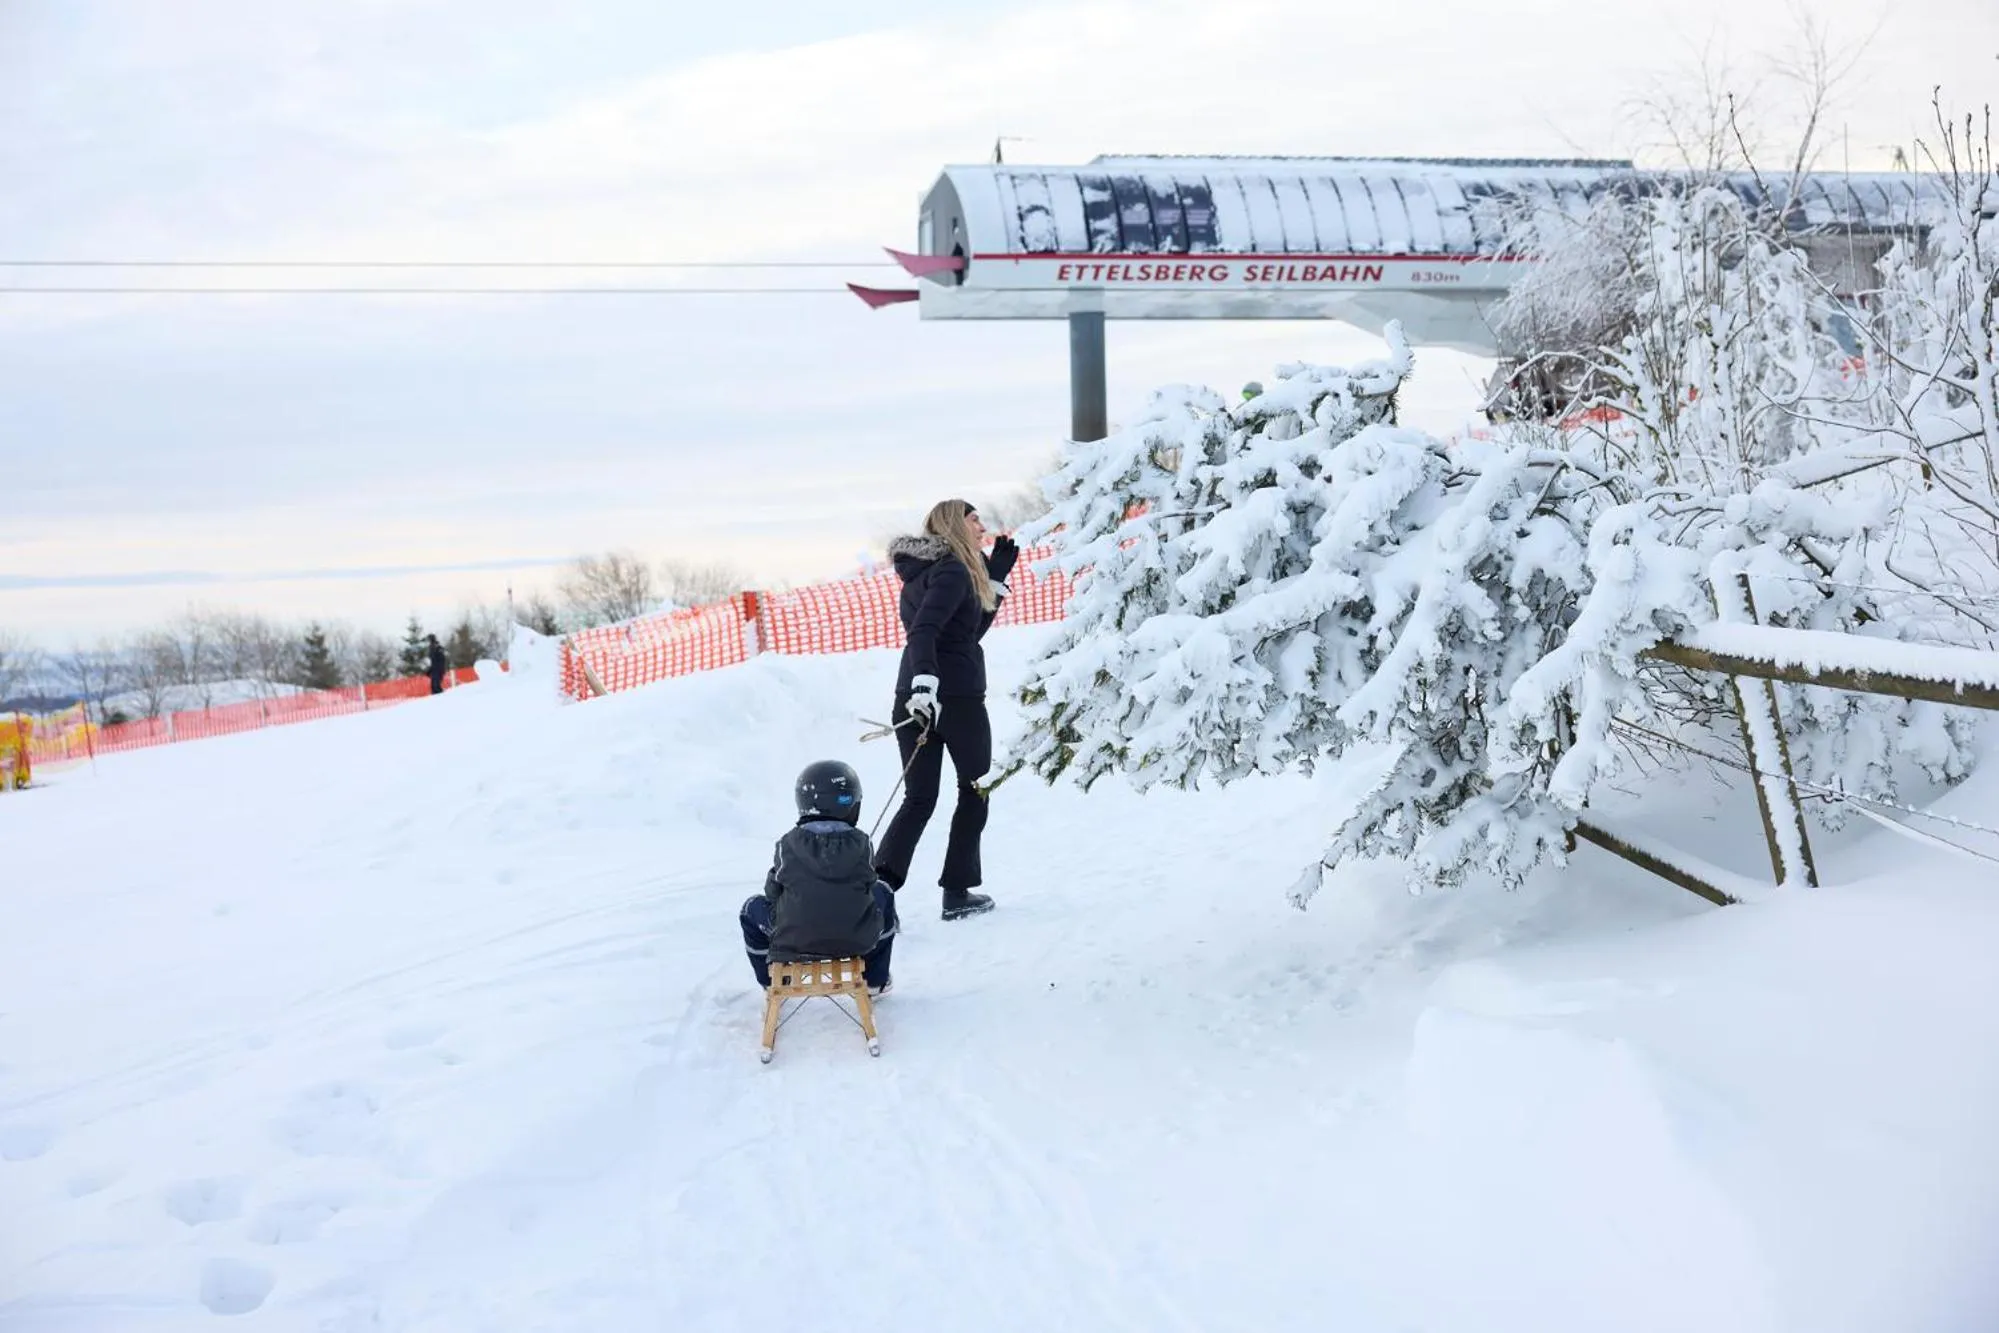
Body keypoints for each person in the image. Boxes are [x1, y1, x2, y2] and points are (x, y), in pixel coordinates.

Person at [872, 499, 1017, 921]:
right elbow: (924, 630)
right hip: (953, 696)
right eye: (974, 520)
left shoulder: (926, 572)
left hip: (916, 693)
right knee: (976, 787)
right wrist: (928, 681)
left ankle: (876, 897)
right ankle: (957, 891)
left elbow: (966, 634)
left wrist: (995, 580)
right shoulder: (953, 570)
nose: (982, 528)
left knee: (919, 798)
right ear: (955, 523)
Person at [740, 759, 899, 995]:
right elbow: (869, 883)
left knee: (750, 908)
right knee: (883, 891)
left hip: (794, 938)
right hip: (856, 937)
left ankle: (771, 981)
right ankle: (875, 980)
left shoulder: (787, 844)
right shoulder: (863, 843)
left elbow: (772, 892)